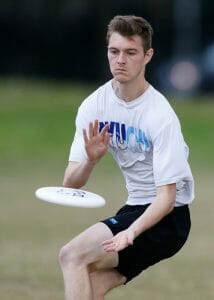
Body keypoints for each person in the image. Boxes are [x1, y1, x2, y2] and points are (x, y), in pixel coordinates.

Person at [59, 15, 194, 300]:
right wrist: (91, 160)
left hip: (167, 220)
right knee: (89, 288)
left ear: (147, 56)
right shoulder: (95, 105)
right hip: (134, 209)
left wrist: (131, 232)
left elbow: (167, 198)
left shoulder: (160, 115)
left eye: (131, 52)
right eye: (114, 51)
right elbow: (70, 183)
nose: (120, 60)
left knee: (72, 255)